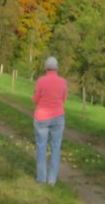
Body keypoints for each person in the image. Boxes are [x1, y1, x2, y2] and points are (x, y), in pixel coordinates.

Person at [32, 55, 67, 184]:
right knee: (56, 148)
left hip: (42, 117)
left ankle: (41, 178)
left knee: (41, 147)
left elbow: (35, 99)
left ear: (45, 67)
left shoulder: (40, 81)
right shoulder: (63, 82)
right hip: (58, 117)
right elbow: (63, 99)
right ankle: (51, 180)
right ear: (57, 68)